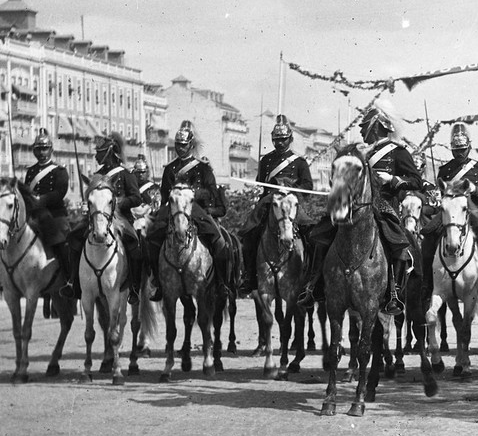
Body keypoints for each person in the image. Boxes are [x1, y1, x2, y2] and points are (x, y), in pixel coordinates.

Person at [304, 105, 421, 314]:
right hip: (351, 205)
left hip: (384, 206)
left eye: (364, 126)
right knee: (319, 236)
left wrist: (393, 179)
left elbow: (416, 181)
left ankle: (394, 292)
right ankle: (314, 285)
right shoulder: (357, 153)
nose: (360, 131)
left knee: (400, 246)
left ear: (376, 127)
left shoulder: (398, 152)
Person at [145, 121, 233, 302]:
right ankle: (158, 282)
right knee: (151, 238)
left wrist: (193, 193)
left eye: (183, 145)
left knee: (220, 241)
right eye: (177, 144)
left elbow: (211, 191)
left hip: (196, 208)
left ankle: (222, 283)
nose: (180, 148)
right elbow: (164, 194)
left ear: (190, 145)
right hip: (173, 208)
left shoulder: (202, 167)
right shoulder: (170, 168)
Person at [421, 124, 478, 305]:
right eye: (456, 150)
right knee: (427, 235)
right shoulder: (444, 170)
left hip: (471, 209)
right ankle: (427, 284)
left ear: (469, 148)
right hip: (450, 212)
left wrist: (475, 188)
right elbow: (442, 193)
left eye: (463, 150)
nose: (459, 153)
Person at [66, 131, 147, 303]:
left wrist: (118, 204)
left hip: (121, 219)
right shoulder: (96, 176)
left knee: (134, 246)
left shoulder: (126, 174)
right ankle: (73, 281)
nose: (96, 156)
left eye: (99, 152)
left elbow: (136, 198)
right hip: (96, 218)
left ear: (109, 152)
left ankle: (134, 288)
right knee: (73, 237)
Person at [240, 114, 315, 297]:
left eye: (283, 139)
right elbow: (262, 183)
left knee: (311, 236)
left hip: (291, 204)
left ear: (290, 139)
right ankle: (249, 277)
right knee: (250, 234)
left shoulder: (299, 162)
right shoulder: (266, 161)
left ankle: (310, 279)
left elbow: (307, 186)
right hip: (270, 203)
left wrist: (290, 187)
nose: (280, 143)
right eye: (276, 139)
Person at [23, 128, 74, 301]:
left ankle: (69, 281)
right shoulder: (30, 172)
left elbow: (60, 192)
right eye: (39, 149)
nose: (42, 153)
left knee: (61, 243)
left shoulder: (59, 171)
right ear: (35, 151)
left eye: (45, 149)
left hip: (54, 215)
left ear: (51, 150)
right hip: (34, 216)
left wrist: (41, 199)